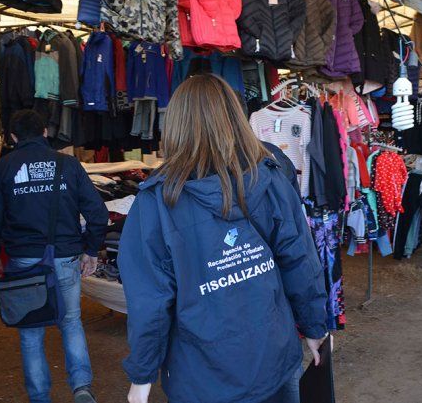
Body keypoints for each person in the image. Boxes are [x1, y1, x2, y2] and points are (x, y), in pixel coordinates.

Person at [118, 74, 328, 403]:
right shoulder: (269, 176)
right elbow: (300, 260)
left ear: (175, 124)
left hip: (203, 376)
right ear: (235, 116)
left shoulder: (157, 201)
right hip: (271, 357)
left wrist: (142, 377)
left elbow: (150, 301)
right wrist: (315, 327)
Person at [0, 110, 108, 403]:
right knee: (72, 322)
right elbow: (98, 213)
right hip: (64, 257)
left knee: (30, 332)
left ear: (12, 138)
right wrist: (90, 249)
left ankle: (39, 398)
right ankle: (82, 388)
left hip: (24, 262)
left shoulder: (2, 169)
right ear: (45, 133)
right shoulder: (69, 165)